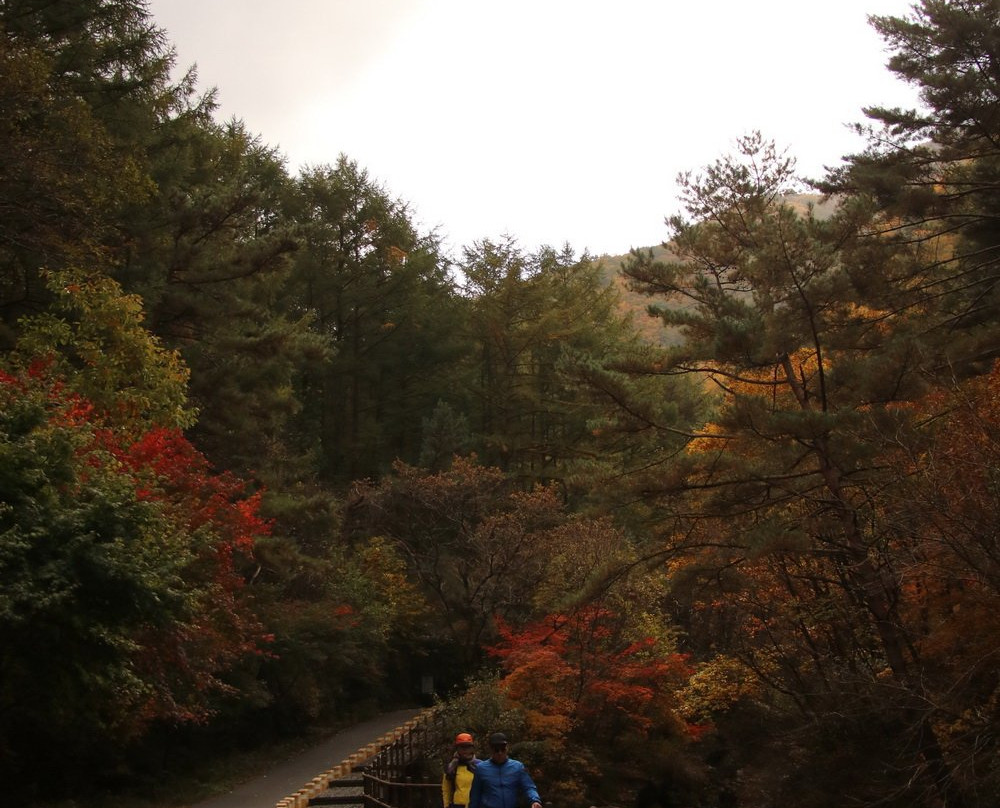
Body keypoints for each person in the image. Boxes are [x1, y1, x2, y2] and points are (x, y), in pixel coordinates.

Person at [468, 732, 542, 808]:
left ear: (507, 748)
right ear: (490, 749)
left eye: (503, 749)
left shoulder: (517, 767)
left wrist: (534, 800)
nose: (500, 753)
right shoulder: (481, 769)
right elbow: (475, 795)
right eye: (496, 750)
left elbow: (528, 786)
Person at [442, 732, 482, 808]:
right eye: (462, 747)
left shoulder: (479, 765)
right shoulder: (452, 767)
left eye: (467, 747)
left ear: (472, 748)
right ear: (457, 749)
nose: (465, 750)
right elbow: (446, 789)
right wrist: (446, 805)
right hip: (458, 804)